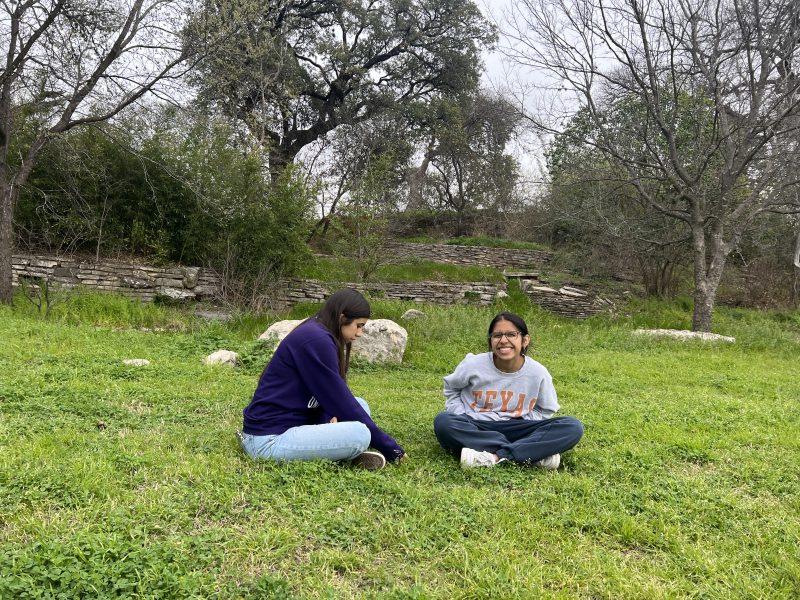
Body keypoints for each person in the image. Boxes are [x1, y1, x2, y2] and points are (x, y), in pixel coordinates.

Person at [239, 288, 405, 470]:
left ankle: (341, 451)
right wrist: (392, 450)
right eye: (358, 325)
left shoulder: (319, 331)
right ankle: (346, 451)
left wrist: (328, 417)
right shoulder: (316, 340)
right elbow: (341, 401)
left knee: (361, 404)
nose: (359, 333)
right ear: (342, 317)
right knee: (360, 434)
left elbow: (325, 394)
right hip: (268, 440)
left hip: (296, 421)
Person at [433, 311, 583, 469]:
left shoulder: (538, 372)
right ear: (490, 341)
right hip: (476, 425)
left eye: (511, 334)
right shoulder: (473, 364)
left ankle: (493, 456)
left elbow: (546, 408)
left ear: (525, 340)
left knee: (573, 427)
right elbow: (452, 388)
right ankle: (529, 453)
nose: (503, 340)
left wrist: (525, 422)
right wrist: (461, 413)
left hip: (519, 427)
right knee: (444, 422)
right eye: (497, 335)